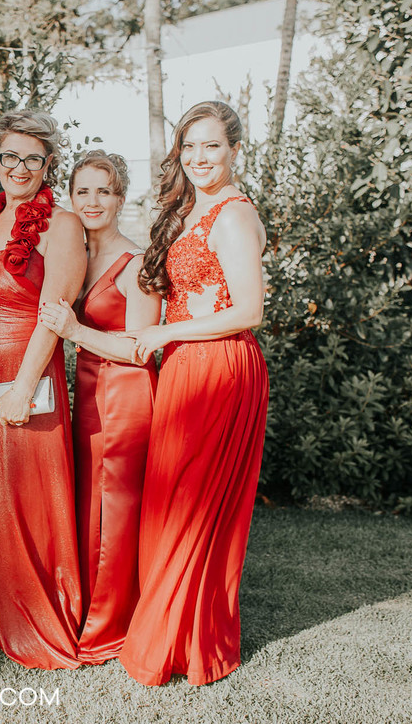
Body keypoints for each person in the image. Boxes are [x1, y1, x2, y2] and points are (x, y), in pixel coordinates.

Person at [119, 101, 269, 686]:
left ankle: (184, 640)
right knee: (172, 501)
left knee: (194, 504)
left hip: (218, 368)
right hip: (186, 365)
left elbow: (249, 310)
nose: (199, 157)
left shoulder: (233, 215)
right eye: (189, 146)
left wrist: (164, 332)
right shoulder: (190, 209)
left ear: (234, 150)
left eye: (212, 145)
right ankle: (175, 630)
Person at [0, 110, 87, 670]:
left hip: (25, 367)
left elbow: (55, 313)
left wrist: (23, 388)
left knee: (24, 489)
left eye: (33, 158)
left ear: (49, 163)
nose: (20, 167)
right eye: (10, 156)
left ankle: (33, 610)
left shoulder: (62, 225)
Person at [38, 150, 161, 664]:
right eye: (82, 191)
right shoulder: (77, 255)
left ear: (120, 198)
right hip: (89, 392)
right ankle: (89, 608)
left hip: (126, 393)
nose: (92, 201)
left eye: (104, 191)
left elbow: (141, 347)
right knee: (92, 505)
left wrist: (74, 330)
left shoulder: (138, 263)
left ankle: (110, 628)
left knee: (116, 510)